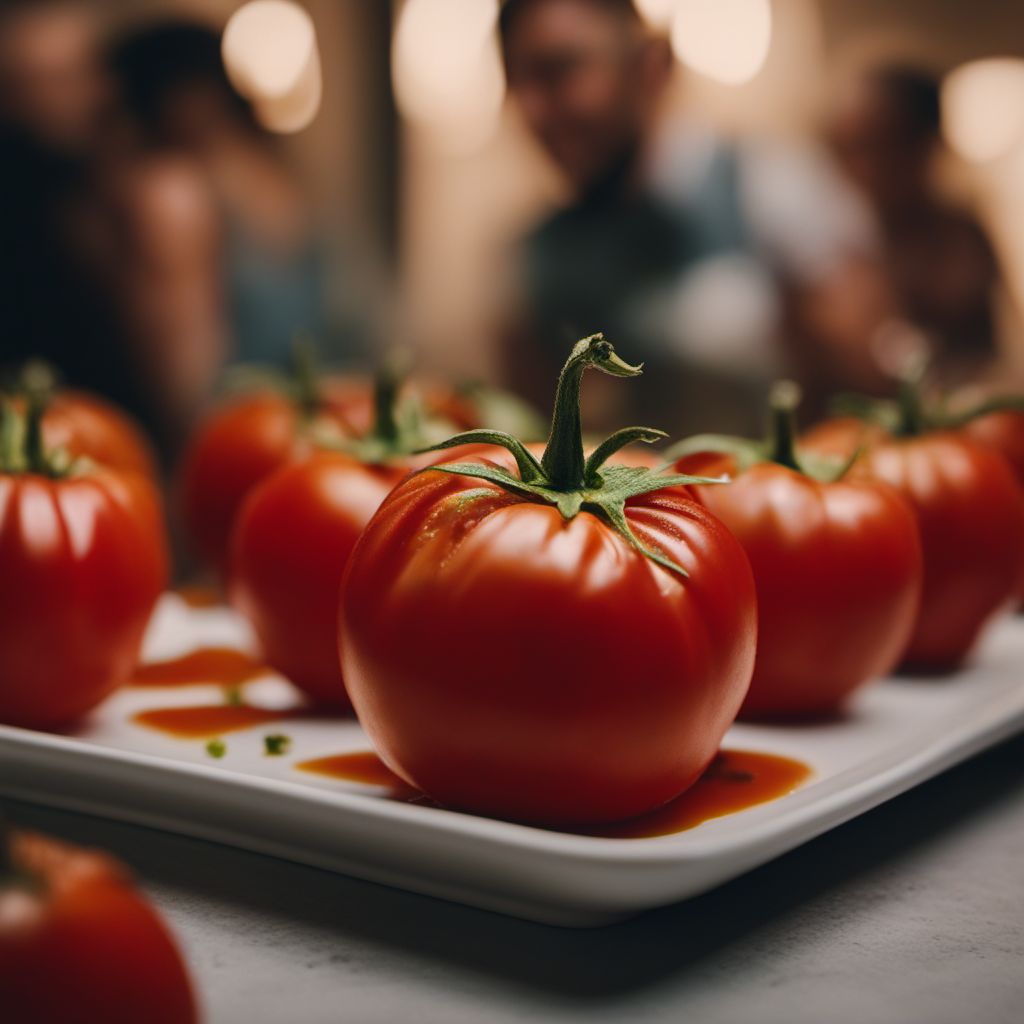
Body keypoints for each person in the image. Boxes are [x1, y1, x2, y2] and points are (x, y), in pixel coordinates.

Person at [497, 0, 892, 435]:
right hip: (627, 500)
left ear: (653, 67)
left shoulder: (770, 187)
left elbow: (868, 394)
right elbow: (532, 433)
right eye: (517, 82)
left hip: (770, 496)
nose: (532, 110)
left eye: (558, 72)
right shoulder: (542, 251)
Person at [828, 65, 1007, 385]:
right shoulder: (832, 249)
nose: (865, 168)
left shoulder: (963, 235)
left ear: (925, 142)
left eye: (884, 145)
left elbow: (991, 356)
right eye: (849, 149)